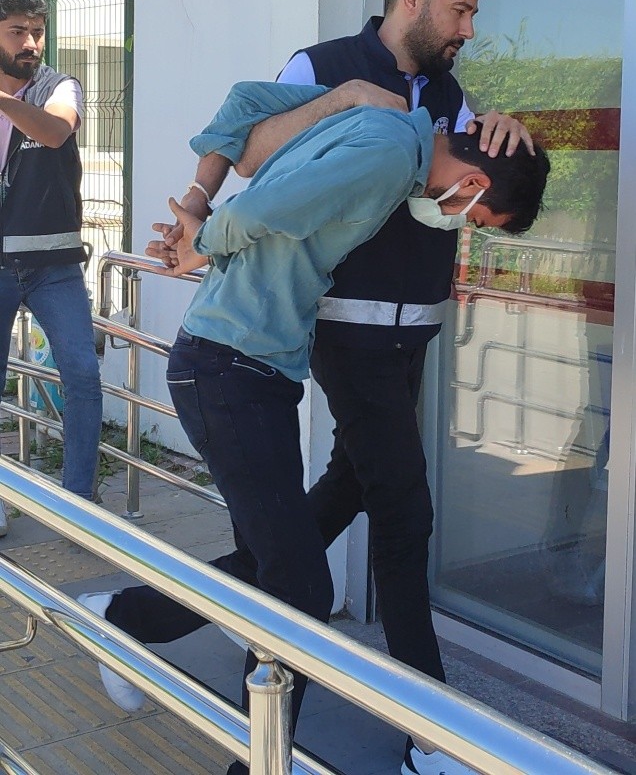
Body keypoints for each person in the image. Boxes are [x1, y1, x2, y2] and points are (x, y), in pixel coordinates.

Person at [79, 80, 549, 775]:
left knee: (280, 571)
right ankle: (249, 750)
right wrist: (202, 236)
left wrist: (203, 208)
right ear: (473, 184)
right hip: (229, 368)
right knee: (301, 589)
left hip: (250, 366)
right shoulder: (391, 153)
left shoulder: (384, 127)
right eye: (475, 218)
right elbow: (264, 207)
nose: (462, 225)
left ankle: (126, 618)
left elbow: (243, 103)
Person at [0, 0, 101, 537]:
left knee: (82, 375)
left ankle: (78, 505)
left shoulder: (57, 86)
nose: (30, 43)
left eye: (37, 32)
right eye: (17, 31)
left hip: (54, 265)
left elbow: (57, 130)